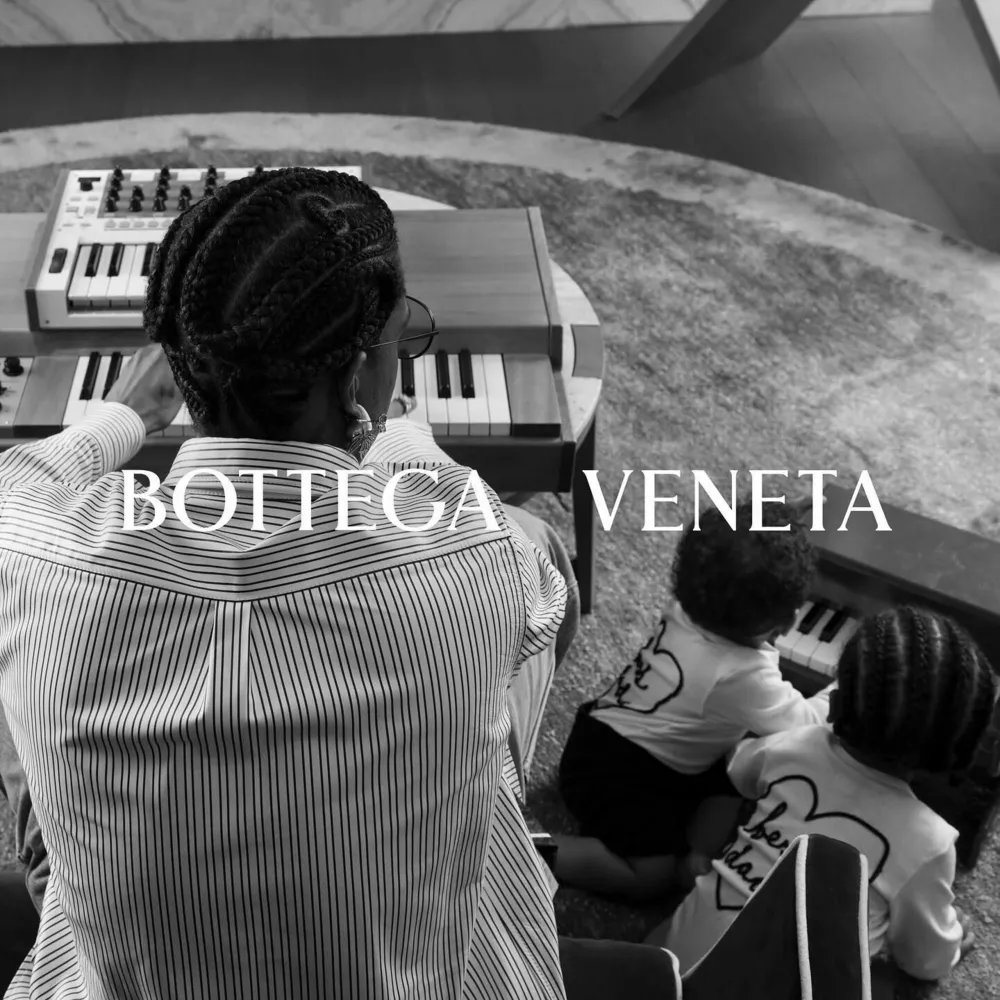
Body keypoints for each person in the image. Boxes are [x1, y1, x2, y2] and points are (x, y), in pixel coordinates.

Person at [0, 167, 579, 1000]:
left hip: (124, 978)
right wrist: (384, 423)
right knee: (540, 551)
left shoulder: (31, 550)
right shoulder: (473, 549)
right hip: (425, 977)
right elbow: (491, 539)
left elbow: (17, 484)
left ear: (180, 368)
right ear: (357, 374)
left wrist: (124, 414)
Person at [649, 605, 992, 982]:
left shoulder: (794, 745)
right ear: (959, 747)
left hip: (671, 965)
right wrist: (952, 946)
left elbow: (738, 772)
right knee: (880, 981)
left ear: (836, 703)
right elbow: (923, 962)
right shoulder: (931, 845)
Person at [552, 500, 834, 900]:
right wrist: (840, 688)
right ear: (789, 620)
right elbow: (807, 723)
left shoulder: (689, 607)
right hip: (620, 780)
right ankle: (533, 853)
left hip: (600, 737)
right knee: (652, 880)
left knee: (736, 767)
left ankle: (696, 854)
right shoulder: (743, 676)